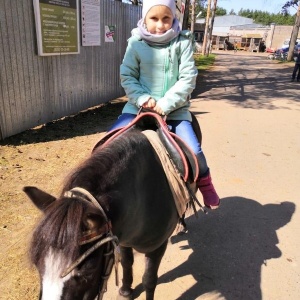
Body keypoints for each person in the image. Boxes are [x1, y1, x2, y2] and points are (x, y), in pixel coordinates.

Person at [109, 0, 220, 209]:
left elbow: (188, 78)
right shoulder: (135, 43)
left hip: (176, 110)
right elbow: (127, 75)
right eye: (154, 18)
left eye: (166, 18)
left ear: (174, 18)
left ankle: (206, 183)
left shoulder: (183, 42)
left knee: (194, 151)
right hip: (138, 108)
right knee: (106, 145)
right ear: (144, 18)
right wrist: (142, 98)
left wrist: (166, 104)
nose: (160, 25)